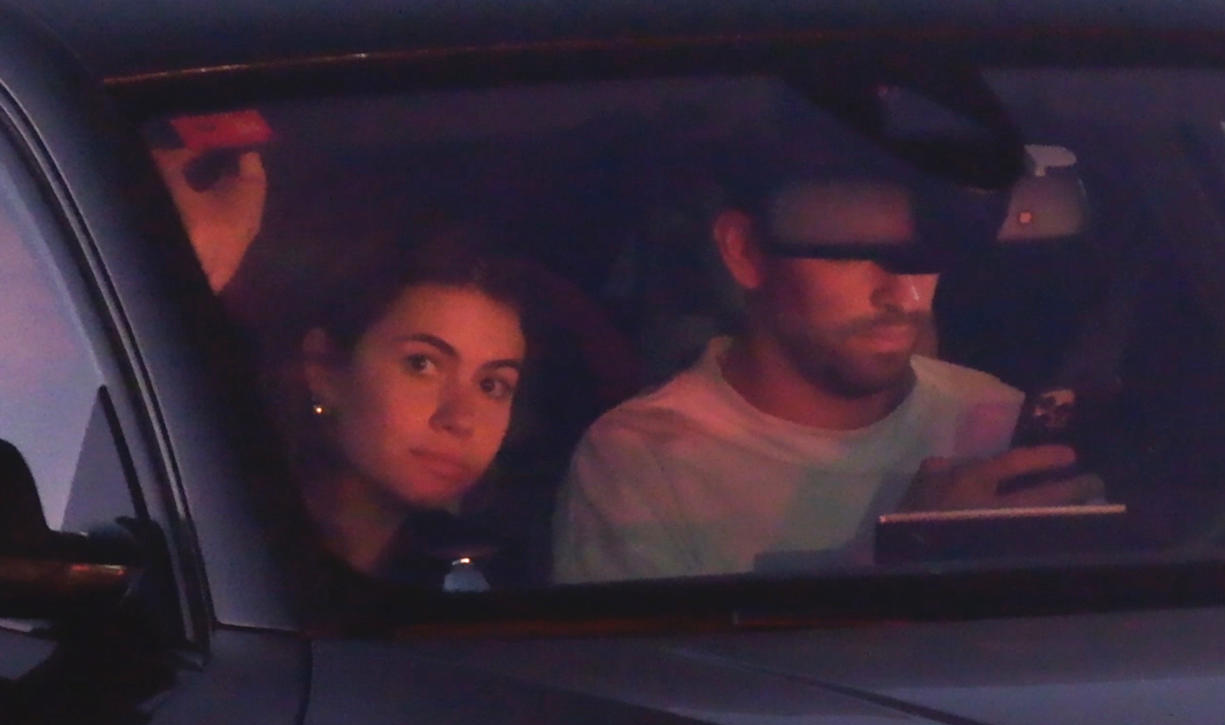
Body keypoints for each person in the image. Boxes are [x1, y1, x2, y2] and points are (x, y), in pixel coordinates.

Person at [552, 168, 1104, 583]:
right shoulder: (641, 461)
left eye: (925, 253)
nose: (905, 294)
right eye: (854, 250)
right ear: (745, 252)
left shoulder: (992, 418)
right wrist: (906, 548)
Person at [268, 220, 532, 606]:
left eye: (491, 385)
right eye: (421, 364)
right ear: (323, 368)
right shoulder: (225, 544)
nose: (460, 419)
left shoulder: (488, 579)